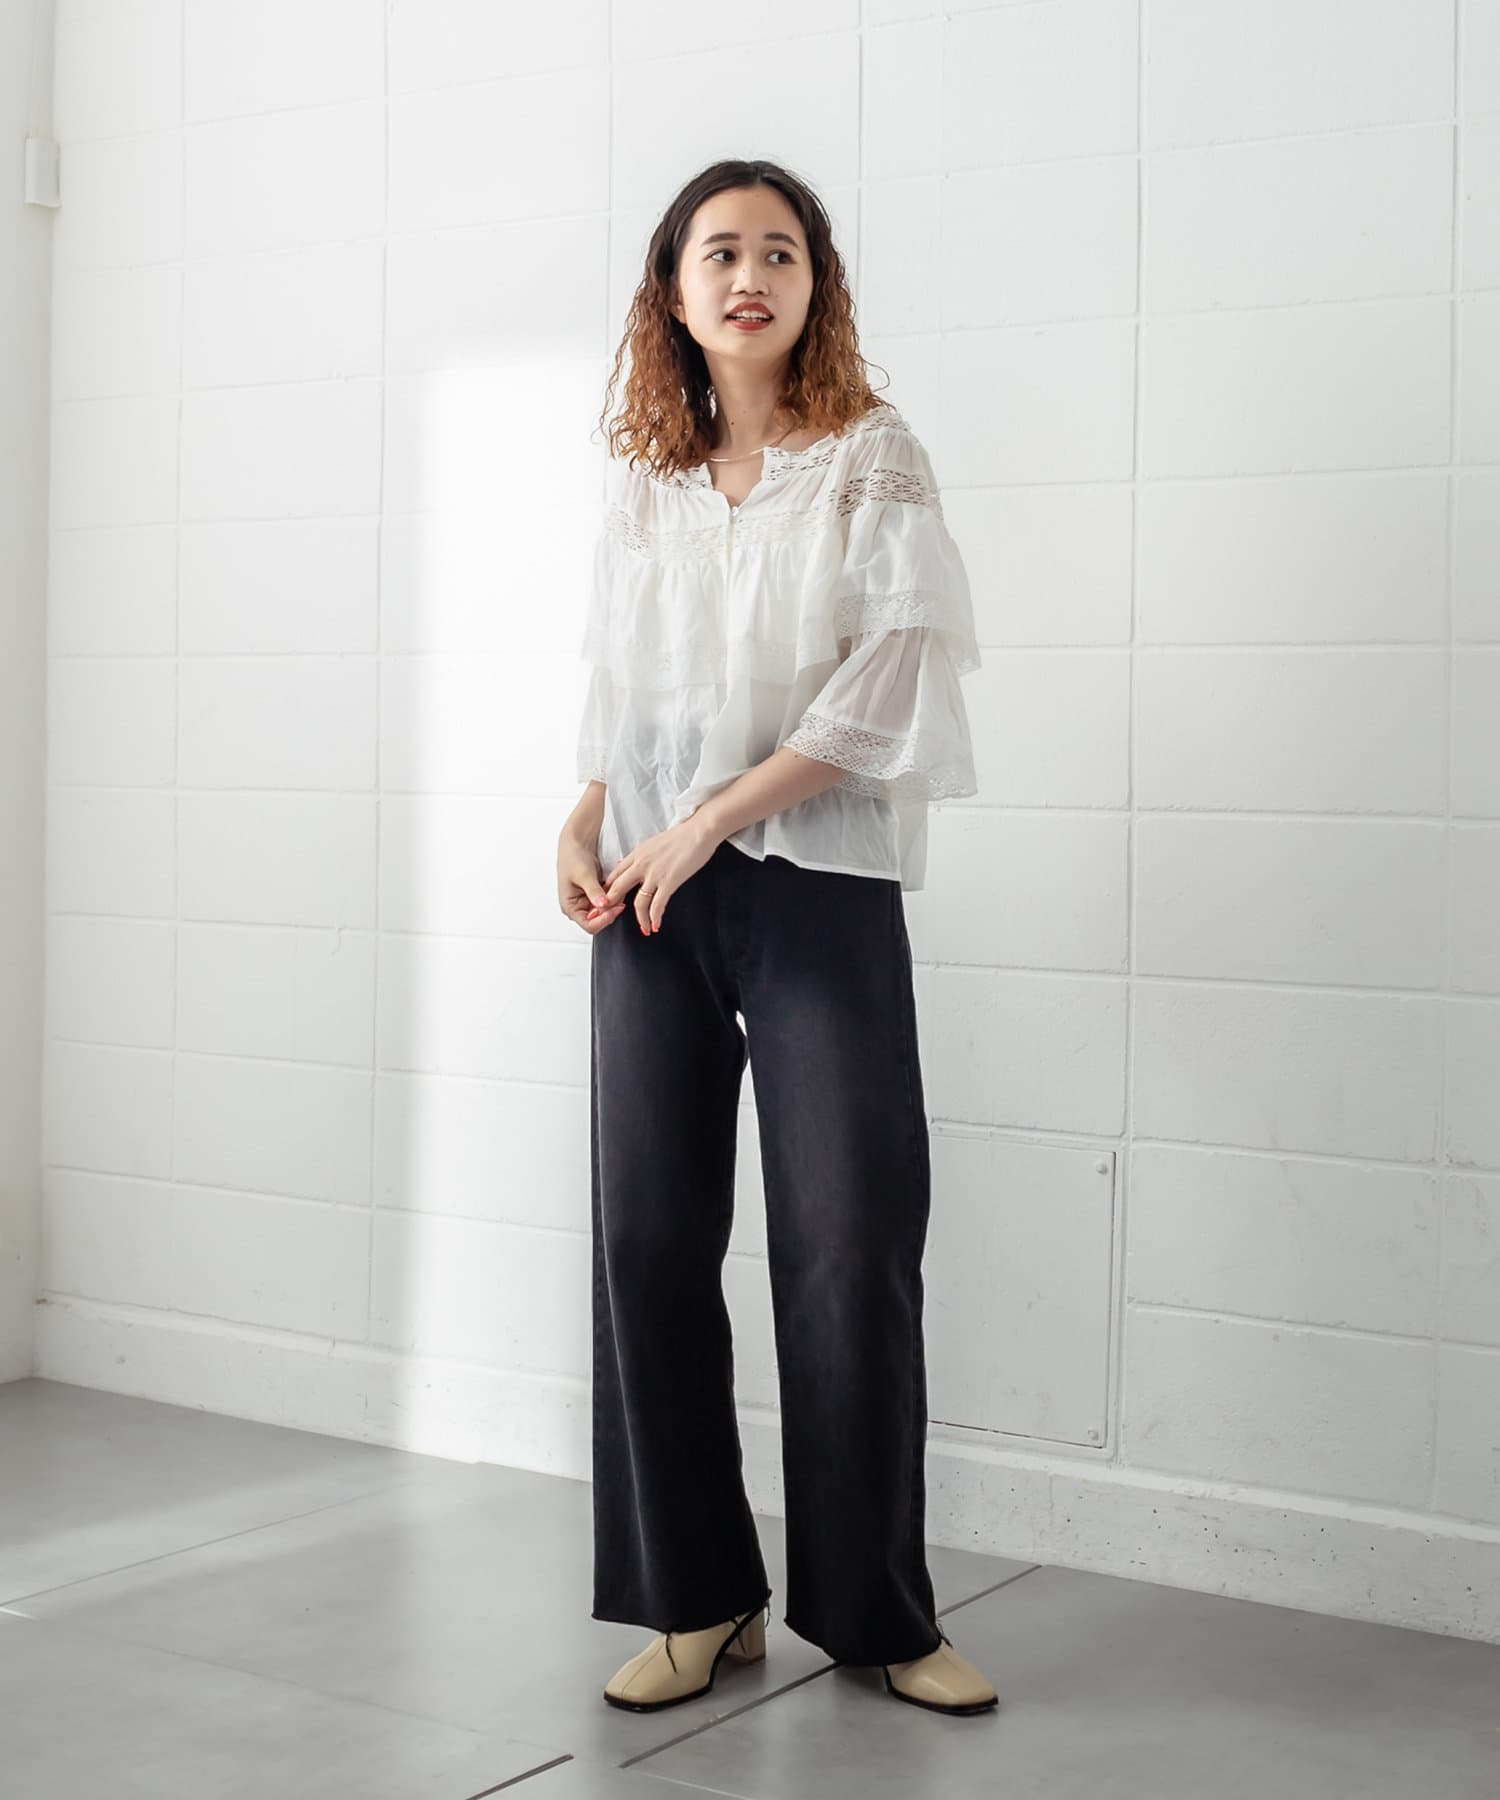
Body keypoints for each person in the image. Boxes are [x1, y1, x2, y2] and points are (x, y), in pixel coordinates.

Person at [555, 157, 999, 1720]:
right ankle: (698, 1597)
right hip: (647, 885)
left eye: (781, 253)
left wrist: (711, 820)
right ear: (674, 291)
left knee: (849, 1240)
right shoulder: (647, 477)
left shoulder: (871, 455)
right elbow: (624, 685)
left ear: (818, 286)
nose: (750, 277)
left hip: (814, 878)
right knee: (647, 1238)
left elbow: (889, 686)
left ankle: (877, 1614)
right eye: (721, 253)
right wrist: (586, 815)